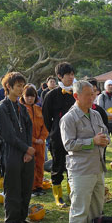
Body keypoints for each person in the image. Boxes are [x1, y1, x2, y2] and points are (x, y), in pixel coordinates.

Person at [60, 80, 109, 223]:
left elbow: (104, 132)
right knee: (80, 206)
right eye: (88, 94)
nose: (92, 97)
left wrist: (105, 140)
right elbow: (69, 144)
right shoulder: (69, 118)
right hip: (81, 169)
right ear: (76, 96)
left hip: (97, 167)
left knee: (97, 205)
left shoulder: (95, 115)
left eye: (93, 93)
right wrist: (92, 141)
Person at [0, 72, 35, 223]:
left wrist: (28, 151)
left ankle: (22, 218)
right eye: (18, 86)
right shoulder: (1, 108)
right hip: (11, 152)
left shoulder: (21, 107)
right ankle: (12, 220)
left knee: (26, 187)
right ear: (8, 87)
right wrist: (26, 148)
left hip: (26, 152)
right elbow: (7, 135)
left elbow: (28, 129)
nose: (21, 89)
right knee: (13, 188)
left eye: (22, 86)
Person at [42, 62, 76, 207]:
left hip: (75, 136)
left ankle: (72, 193)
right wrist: (54, 131)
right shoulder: (51, 95)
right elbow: (46, 117)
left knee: (73, 166)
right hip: (57, 136)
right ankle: (58, 197)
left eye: (72, 74)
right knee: (57, 165)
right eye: (67, 74)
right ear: (59, 76)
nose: (71, 77)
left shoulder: (76, 93)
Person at [21, 84, 48, 196]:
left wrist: (41, 138)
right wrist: (34, 140)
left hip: (40, 143)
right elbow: (22, 130)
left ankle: (39, 186)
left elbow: (45, 126)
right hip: (28, 143)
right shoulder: (21, 110)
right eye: (27, 96)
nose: (30, 98)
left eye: (32, 96)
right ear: (23, 97)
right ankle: (31, 187)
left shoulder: (39, 109)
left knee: (40, 164)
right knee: (30, 166)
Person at [96, 79, 112, 160]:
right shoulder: (101, 97)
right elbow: (101, 109)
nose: (110, 86)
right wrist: (109, 115)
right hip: (105, 123)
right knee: (104, 141)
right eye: (108, 85)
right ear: (105, 87)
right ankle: (102, 158)